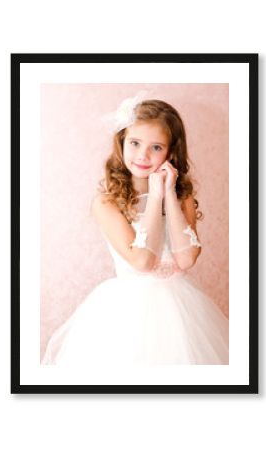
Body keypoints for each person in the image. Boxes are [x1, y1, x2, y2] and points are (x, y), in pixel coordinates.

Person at [42, 95, 229, 366]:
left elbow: (186, 259)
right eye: (135, 143)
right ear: (122, 142)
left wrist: (169, 196)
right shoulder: (107, 202)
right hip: (128, 314)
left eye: (156, 147)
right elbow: (143, 261)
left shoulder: (182, 196)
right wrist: (154, 198)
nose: (143, 155)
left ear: (171, 153)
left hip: (182, 310)